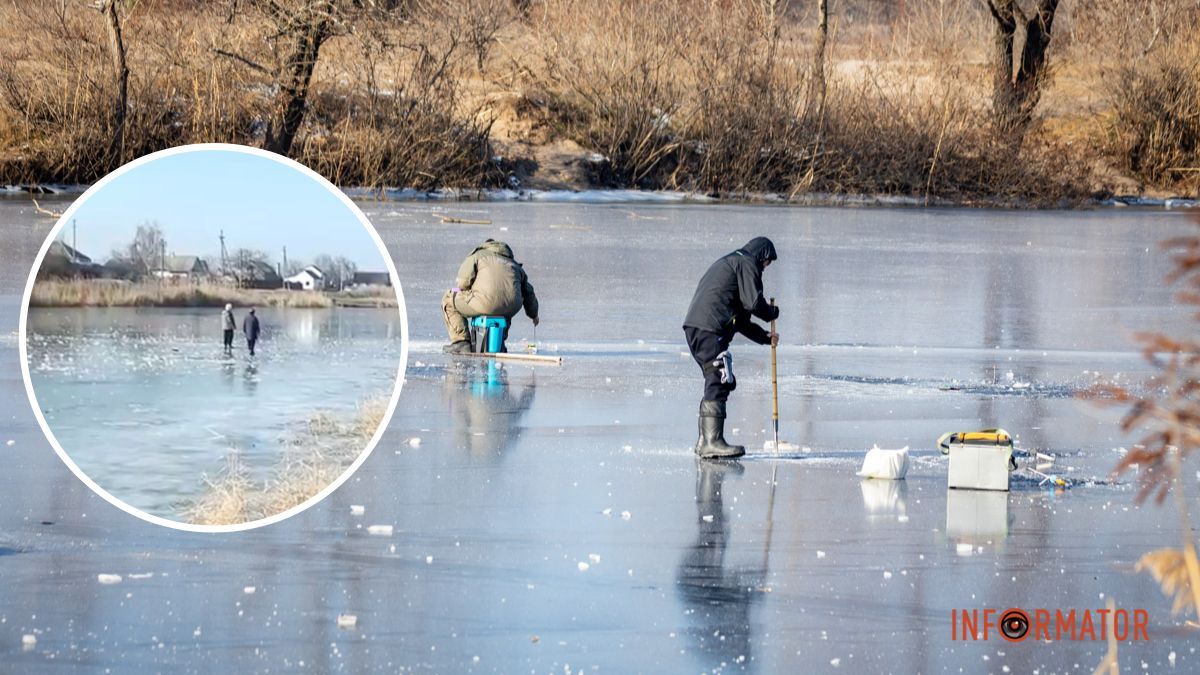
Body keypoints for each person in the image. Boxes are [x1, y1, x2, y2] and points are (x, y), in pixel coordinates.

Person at [683, 237, 779, 459]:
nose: (765, 268)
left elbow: (742, 321)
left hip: (698, 326)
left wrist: (765, 337)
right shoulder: (746, 262)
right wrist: (771, 313)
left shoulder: (734, 264)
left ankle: (705, 440)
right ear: (761, 255)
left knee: (718, 377)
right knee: (718, 376)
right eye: (766, 263)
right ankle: (712, 442)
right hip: (709, 326)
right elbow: (754, 303)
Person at [442, 239, 539, 354]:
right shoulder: (514, 265)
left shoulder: (478, 255)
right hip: (510, 306)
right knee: (503, 309)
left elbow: (463, 283)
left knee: (448, 300)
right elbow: (529, 293)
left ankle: (461, 342)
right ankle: (499, 342)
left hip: (484, 303)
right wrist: (534, 315)